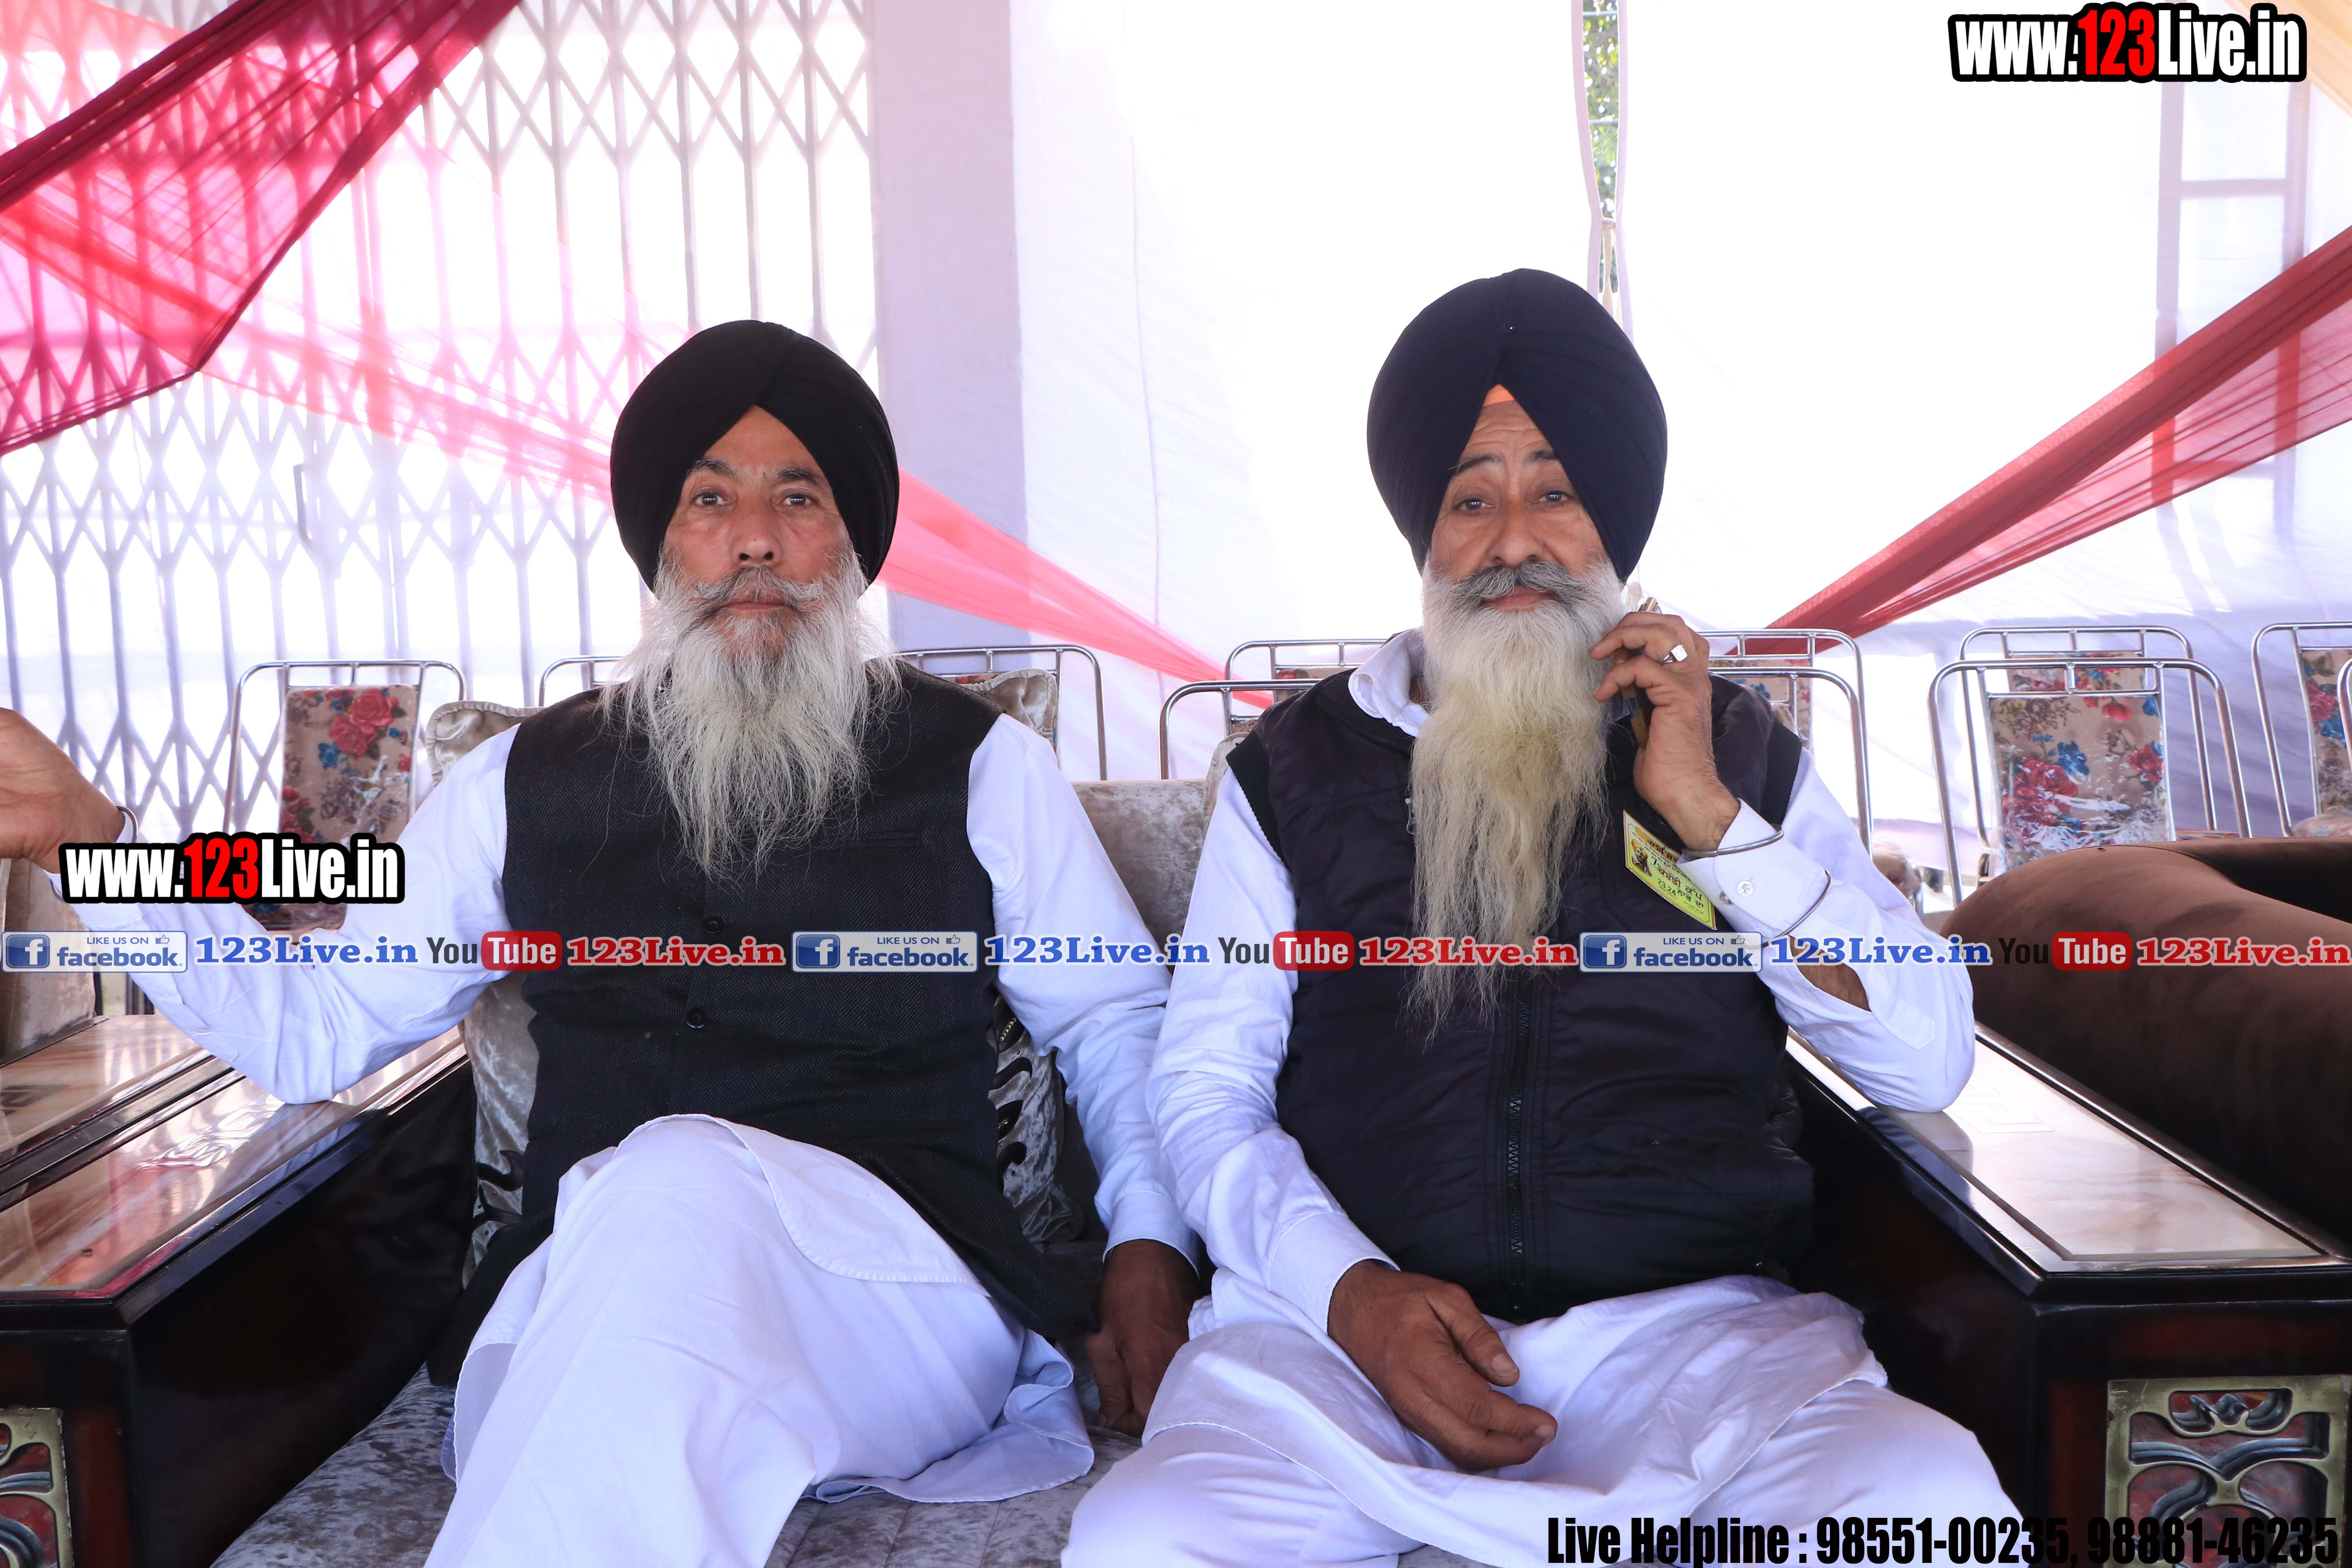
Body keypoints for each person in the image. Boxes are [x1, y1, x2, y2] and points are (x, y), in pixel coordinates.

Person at [0, 321, 1198, 1568]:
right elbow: (319, 1025)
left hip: (901, 1293)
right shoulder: (516, 783)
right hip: (593, 1278)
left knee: (678, 1179)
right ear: (662, 545)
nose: (754, 539)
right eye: (709, 499)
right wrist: (91, 838)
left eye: (798, 497)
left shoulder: (983, 768)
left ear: (849, 547)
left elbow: (1112, 1018)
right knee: (658, 1216)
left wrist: (1149, 1248)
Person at [1066, 270, 2014, 1568]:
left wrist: (1710, 817)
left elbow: (1924, 1059)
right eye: (1471, 499)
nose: (1514, 541)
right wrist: (1351, 1296)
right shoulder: (1294, 768)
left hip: (1690, 1346)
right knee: (1147, 1539)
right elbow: (1206, 1087)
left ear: (1613, 523)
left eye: (1556, 493)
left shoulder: (1737, 754)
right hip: (1345, 1357)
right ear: (1425, 534)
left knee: (1929, 1508)